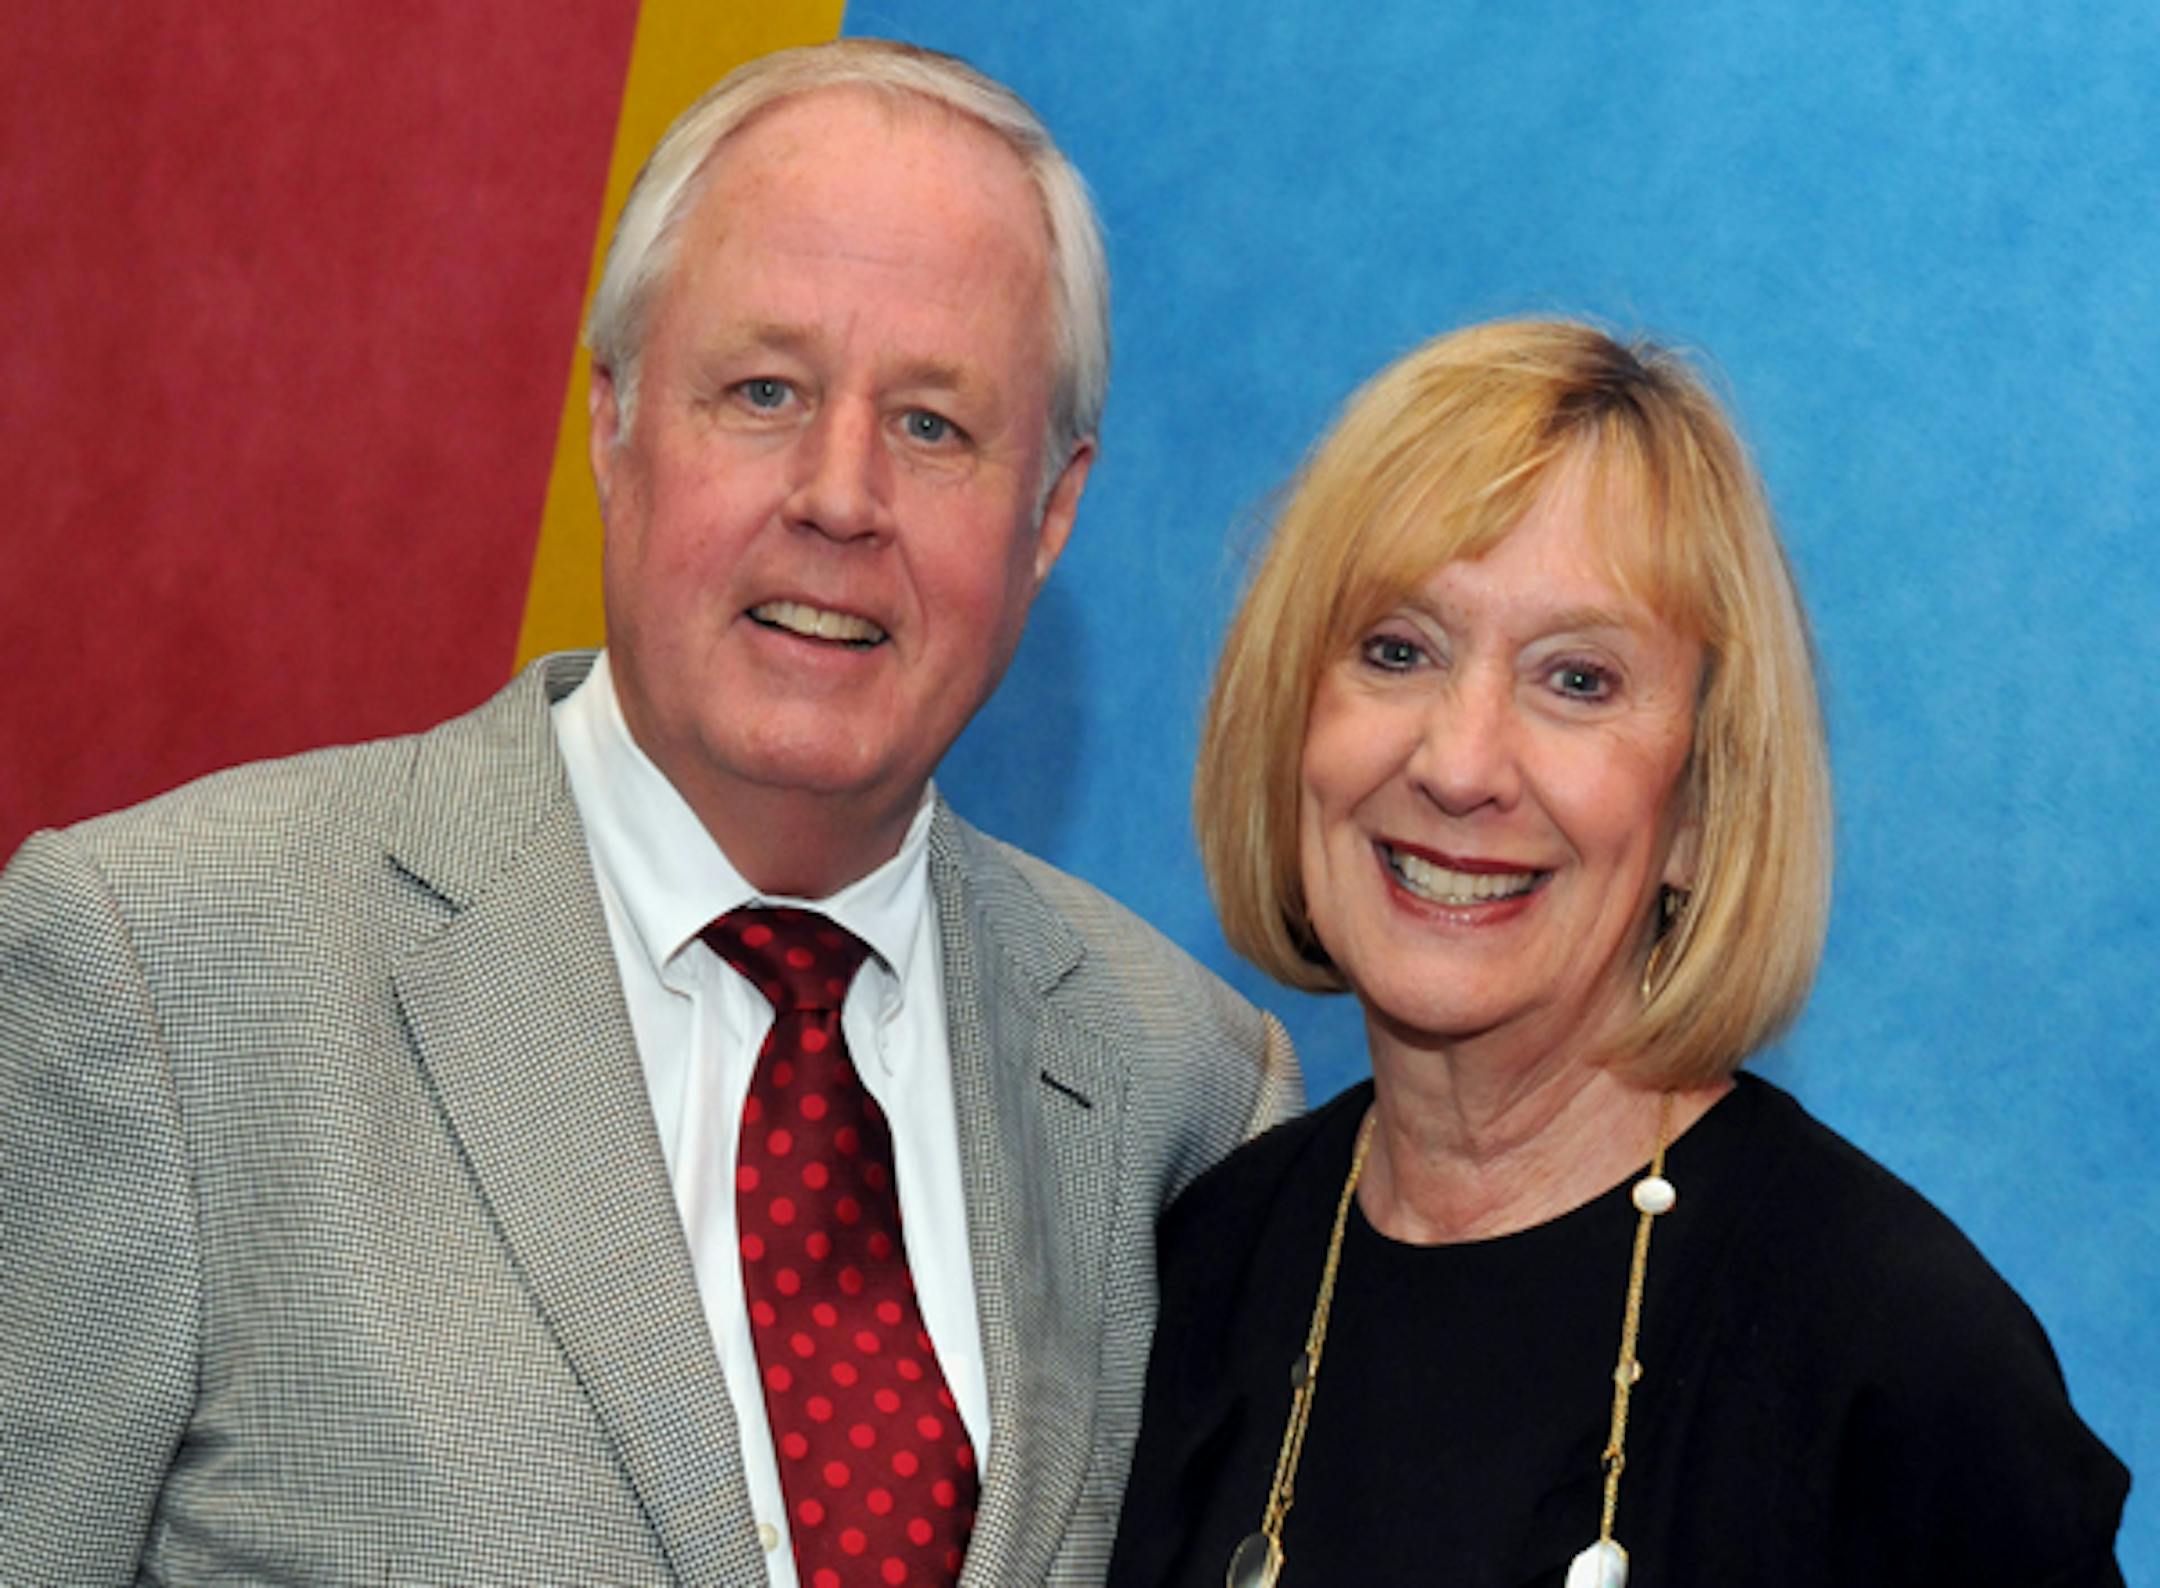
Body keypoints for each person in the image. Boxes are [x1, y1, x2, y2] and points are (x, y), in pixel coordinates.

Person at [0, 39, 1298, 1587]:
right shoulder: (159, 976)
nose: (840, 495)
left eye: (933, 426)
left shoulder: (1185, 1094)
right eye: (764, 392)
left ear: (1054, 509)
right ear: (614, 425)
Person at [1107, 319, 2126, 1587]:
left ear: (1699, 803)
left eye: (1577, 679)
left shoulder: (1896, 1358)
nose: (1460, 764)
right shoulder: (1204, 1265)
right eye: (1398, 650)